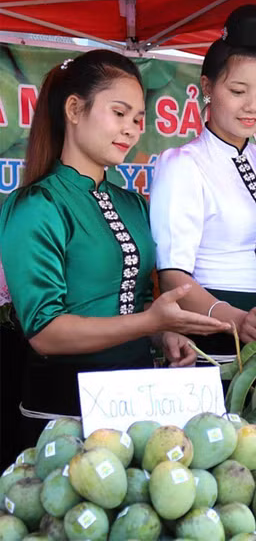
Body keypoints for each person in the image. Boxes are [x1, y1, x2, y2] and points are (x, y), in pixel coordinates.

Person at [0, 50, 229, 444]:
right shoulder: (36, 206)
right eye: (119, 113)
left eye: (139, 119)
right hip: (61, 415)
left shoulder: (134, 204)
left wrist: (163, 336)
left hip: (134, 406)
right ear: (74, 109)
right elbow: (44, 331)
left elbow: (138, 302)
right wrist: (151, 324)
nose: (132, 130)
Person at [150, 5, 256, 362]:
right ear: (207, 87)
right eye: (238, 90)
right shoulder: (183, 164)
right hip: (211, 332)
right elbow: (174, 276)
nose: (252, 106)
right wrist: (237, 320)